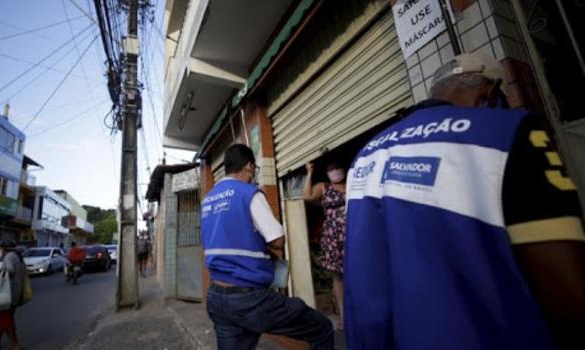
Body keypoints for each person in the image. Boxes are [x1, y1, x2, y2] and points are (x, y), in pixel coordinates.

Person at [344, 52, 585, 349]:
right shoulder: (508, 132)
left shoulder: (365, 156)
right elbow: (569, 294)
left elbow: (366, 285)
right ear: (491, 95)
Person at [202, 144, 334, 350]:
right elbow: (278, 240)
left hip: (217, 298)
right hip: (249, 299)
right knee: (321, 327)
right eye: (254, 169)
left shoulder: (208, 199)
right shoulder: (249, 193)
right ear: (248, 166)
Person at [303, 161, 346, 329]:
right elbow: (307, 196)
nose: (335, 171)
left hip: (354, 233)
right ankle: (343, 316)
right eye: (330, 168)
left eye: (337, 167)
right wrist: (309, 173)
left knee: (358, 272)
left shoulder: (352, 183)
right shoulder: (324, 187)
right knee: (338, 276)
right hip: (334, 238)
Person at [0, 240, 27, 350]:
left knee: (5, 320)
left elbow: (9, 270)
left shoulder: (9, 257)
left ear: (3, 248)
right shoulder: (18, 256)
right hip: (15, 293)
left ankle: (15, 346)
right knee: (5, 319)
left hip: (7, 294)